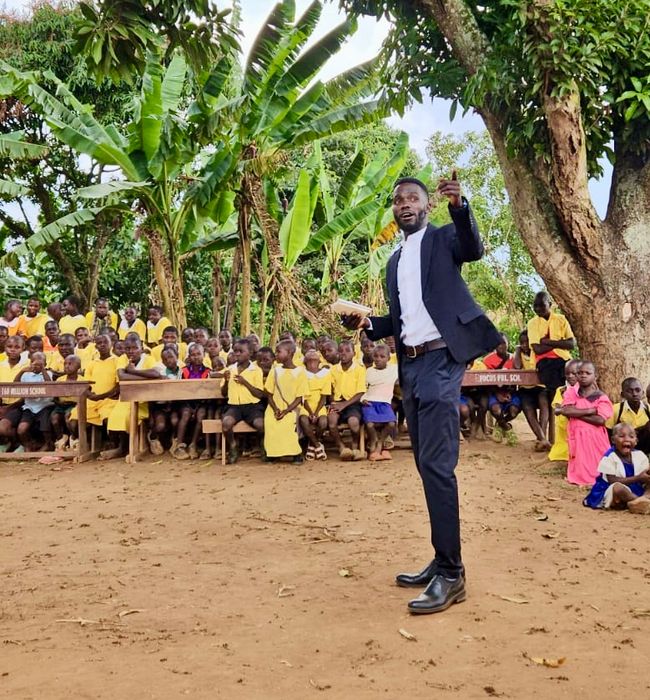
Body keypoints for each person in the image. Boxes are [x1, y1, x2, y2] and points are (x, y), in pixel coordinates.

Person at [343, 172, 501, 614]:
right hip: (410, 366)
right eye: (398, 200)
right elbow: (398, 321)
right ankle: (441, 559)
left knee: (436, 465)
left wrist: (461, 205)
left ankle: (452, 575)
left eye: (413, 198)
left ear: (426, 206)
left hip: (442, 359)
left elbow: (473, 247)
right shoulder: (394, 261)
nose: (404, 204)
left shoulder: (444, 238)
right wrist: (366, 323)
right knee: (425, 464)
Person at [526, 291, 576, 445]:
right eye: (535, 306)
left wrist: (547, 342)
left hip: (564, 360)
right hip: (545, 362)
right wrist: (558, 342)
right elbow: (537, 349)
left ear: (550, 304)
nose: (538, 309)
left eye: (542, 305)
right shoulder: (532, 323)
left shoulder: (561, 320)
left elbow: (571, 344)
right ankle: (556, 436)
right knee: (555, 393)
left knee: (572, 387)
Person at [102, 335, 161, 460]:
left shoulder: (149, 359)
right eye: (128, 348)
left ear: (141, 348)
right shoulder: (123, 358)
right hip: (125, 399)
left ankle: (130, 448)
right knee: (115, 417)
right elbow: (122, 377)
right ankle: (122, 447)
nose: (131, 351)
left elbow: (156, 374)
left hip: (143, 401)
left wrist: (133, 371)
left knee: (130, 417)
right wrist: (145, 377)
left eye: (135, 348)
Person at [556, 360, 613, 485]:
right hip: (577, 436)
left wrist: (574, 413)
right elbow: (566, 410)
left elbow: (600, 420)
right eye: (580, 373)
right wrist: (590, 410)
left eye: (588, 373)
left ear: (595, 376)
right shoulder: (571, 392)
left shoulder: (601, 397)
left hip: (596, 438)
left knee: (599, 465)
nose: (583, 375)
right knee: (580, 462)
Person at [583, 423, 650, 514]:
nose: (627, 439)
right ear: (613, 440)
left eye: (631, 436)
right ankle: (639, 502)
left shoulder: (640, 455)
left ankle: (641, 501)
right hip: (611, 489)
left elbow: (644, 476)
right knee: (618, 488)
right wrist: (638, 478)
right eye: (621, 436)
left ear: (636, 441)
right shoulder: (609, 457)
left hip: (636, 488)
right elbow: (612, 480)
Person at [263, 340, 308, 464]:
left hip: (292, 408)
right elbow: (269, 393)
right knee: (270, 422)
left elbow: (300, 397)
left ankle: (295, 453)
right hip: (274, 406)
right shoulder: (275, 370)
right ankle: (272, 454)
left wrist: (286, 411)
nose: (275, 354)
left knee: (288, 422)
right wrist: (276, 409)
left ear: (290, 353)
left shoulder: (300, 372)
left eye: (279, 351)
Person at [221, 339, 265, 464]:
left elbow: (259, 394)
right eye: (235, 351)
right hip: (234, 406)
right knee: (226, 424)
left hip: (253, 406)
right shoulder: (230, 369)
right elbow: (224, 393)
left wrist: (245, 382)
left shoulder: (256, 370)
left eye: (241, 351)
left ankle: (262, 445)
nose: (237, 354)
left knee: (261, 425)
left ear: (250, 353)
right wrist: (225, 381)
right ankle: (233, 447)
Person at [328, 340, 366, 461]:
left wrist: (344, 404)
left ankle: (355, 444)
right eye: (341, 351)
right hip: (337, 402)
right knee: (332, 421)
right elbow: (330, 390)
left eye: (347, 351)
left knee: (354, 423)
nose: (344, 353)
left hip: (352, 403)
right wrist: (333, 402)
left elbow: (360, 392)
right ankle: (341, 447)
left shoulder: (360, 369)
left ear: (354, 353)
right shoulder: (333, 369)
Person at [513, 329, 550, 451]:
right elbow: (517, 366)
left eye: (527, 342)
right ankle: (543, 439)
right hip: (525, 388)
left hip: (541, 387)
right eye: (522, 343)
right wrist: (517, 350)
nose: (524, 345)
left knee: (544, 404)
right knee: (528, 408)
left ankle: (541, 437)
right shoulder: (519, 353)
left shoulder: (538, 351)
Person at [173, 344, 211, 460]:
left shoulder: (208, 371)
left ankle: (193, 444)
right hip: (185, 402)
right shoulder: (183, 371)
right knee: (185, 413)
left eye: (198, 354)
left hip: (201, 402)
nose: (196, 357)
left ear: (203, 355)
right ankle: (179, 446)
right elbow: (178, 389)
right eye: (193, 355)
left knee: (201, 415)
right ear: (189, 356)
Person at [361, 344, 398, 460]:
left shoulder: (394, 369)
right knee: (370, 424)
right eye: (376, 356)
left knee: (391, 423)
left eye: (382, 357)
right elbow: (363, 388)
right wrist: (363, 399)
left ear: (388, 358)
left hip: (385, 403)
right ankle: (374, 441)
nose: (378, 359)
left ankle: (380, 444)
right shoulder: (369, 371)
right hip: (370, 402)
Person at [14, 352, 55, 451]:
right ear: (30, 363)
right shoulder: (26, 375)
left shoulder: (48, 374)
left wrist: (43, 370)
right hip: (30, 407)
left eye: (40, 364)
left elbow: (50, 385)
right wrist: (21, 371)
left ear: (45, 364)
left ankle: (48, 444)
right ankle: (28, 444)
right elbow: (15, 384)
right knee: (21, 429)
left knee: (45, 429)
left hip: (44, 406)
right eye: (34, 363)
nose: (37, 366)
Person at [299, 349, 331, 461]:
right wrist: (310, 413)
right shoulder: (301, 374)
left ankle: (312, 444)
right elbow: (302, 396)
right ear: (305, 362)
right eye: (309, 360)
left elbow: (324, 396)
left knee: (323, 422)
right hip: (305, 405)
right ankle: (317, 446)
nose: (312, 362)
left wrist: (316, 412)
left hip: (319, 406)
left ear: (319, 362)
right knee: (303, 420)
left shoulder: (326, 374)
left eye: (315, 360)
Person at [548, 359, 581, 463]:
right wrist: (562, 409)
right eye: (567, 373)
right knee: (560, 451)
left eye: (574, 373)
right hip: (563, 428)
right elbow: (557, 407)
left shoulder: (584, 390)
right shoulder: (562, 390)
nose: (570, 376)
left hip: (577, 427)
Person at [0, 336, 29, 452]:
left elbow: (28, 393)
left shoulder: (27, 365)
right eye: (9, 346)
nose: (13, 350)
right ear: (5, 348)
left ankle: (17, 443)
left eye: (17, 347)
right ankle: (4, 442)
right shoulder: (1, 365)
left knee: (2, 428)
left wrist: (8, 408)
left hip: (19, 405)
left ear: (23, 348)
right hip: (2, 403)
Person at [606, 377, 650, 453]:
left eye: (637, 390)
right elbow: (608, 433)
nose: (634, 394)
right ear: (622, 394)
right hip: (623, 450)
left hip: (644, 451)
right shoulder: (616, 409)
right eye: (629, 391)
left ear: (643, 393)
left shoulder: (648, 409)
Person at [51, 354, 82, 451]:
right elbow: (55, 396)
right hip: (61, 405)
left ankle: (74, 438)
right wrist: (58, 403)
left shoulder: (82, 380)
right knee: (54, 418)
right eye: (65, 364)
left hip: (75, 405)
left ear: (78, 367)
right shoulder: (60, 380)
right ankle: (61, 439)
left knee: (68, 417)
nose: (67, 366)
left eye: (70, 364)